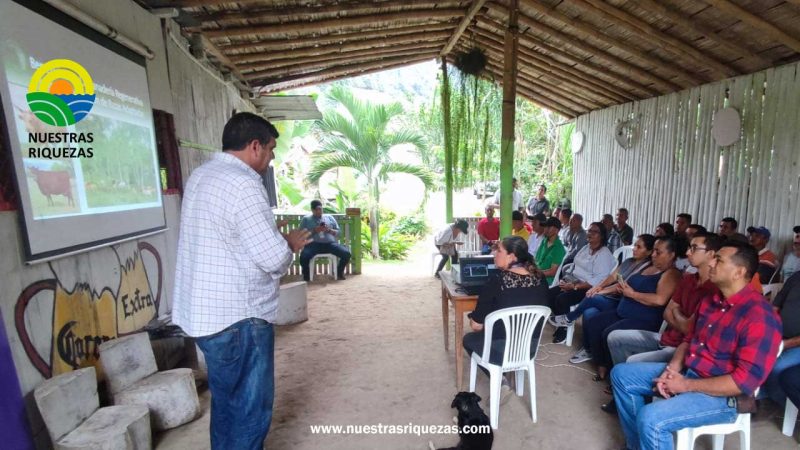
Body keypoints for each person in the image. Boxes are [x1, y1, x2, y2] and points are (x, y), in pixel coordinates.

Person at [173, 112, 311, 450]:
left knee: (226, 402)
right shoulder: (245, 184)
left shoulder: (201, 176)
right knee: (250, 410)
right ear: (254, 146)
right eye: (271, 149)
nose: (272, 156)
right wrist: (289, 245)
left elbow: (229, 239)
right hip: (239, 318)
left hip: (205, 314)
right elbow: (272, 258)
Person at [611, 241, 782, 450]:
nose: (710, 263)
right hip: (691, 372)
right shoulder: (711, 300)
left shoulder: (760, 317)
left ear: (739, 272)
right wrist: (672, 369)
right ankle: (637, 446)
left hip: (724, 397)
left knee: (650, 417)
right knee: (621, 374)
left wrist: (685, 385)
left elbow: (742, 383)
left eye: (718, 260)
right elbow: (689, 339)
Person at [607, 233, 722, 367]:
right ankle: (625, 379)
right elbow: (667, 313)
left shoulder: (714, 289)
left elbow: (688, 328)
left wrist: (677, 313)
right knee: (614, 337)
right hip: (668, 337)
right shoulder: (689, 279)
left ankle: (625, 379)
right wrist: (680, 318)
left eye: (694, 248)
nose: (687, 252)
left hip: (683, 347)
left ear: (711, 254)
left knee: (632, 362)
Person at [574, 236, 681, 379]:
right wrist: (602, 289)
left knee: (608, 332)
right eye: (654, 251)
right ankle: (601, 364)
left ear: (671, 255)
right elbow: (621, 281)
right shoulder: (646, 265)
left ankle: (613, 371)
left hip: (644, 318)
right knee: (594, 322)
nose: (654, 255)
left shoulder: (671, 274)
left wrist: (632, 294)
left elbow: (659, 300)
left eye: (658, 252)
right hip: (624, 311)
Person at [462, 236, 550, 398]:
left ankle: (501, 380)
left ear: (512, 256)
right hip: (528, 348)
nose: (495, 253)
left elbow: (476, 326)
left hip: (500, 350)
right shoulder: (540, 278)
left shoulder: (496, 282)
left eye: (499, 250)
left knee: (468, 339)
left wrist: (476, 318)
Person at [549, 234, 655, 343]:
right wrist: (599, 287)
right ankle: (587, 348)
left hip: (621, 301)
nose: (634, 249)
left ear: (649, 252)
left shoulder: (644, 268)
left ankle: (569, 318)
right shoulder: (629, 261)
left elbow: (622, 285)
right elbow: (614, 277)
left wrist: (599, 290)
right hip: (612, 295)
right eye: (635, 245)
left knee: (591, 296)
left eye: (639, 247)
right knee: (589, 310)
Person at [545, 222, 616, 344]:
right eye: (589, 230)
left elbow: (599, 281)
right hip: (574, 280)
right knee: (550, 294)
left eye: (594, 232)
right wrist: (568, 280)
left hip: (588, 288)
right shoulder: (586, 248)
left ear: (602, 236)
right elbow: (575, 265)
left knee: (562, 299)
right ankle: (562, 322)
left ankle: (564, 327)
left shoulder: (604, 254)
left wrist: (574, 286)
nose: (590, 234)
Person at [761, 270, 800, 405]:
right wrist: (768, 330)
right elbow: (775, 308)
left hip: (796, 344)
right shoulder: (796, 276)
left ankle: (782, 402)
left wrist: (784, 344)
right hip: (780, 335)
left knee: (776, 366)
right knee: (750, 352)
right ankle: (757, 394)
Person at [299, 200, 352, 281]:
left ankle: (339, 272)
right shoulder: (306, 219)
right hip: (313, 244)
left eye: (320, 209)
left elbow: (339, 233)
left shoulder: (329, 217)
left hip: (330, 244)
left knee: (346, 254)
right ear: (312, 210)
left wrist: (329, 230)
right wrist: (314, 231)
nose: (319, 211)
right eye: (316, 209)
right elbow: (301, 235)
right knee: (303, 256)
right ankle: (306, 275)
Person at [535, 217, 566, 285]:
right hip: (536, 276)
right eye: (545, 226)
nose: (545, 229)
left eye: (548, 227)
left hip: (546, 281)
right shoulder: (544, 241)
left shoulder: (559, 248)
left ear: (556, 230)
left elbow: (553, 272)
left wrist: (535, 273)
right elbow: (536, 260)